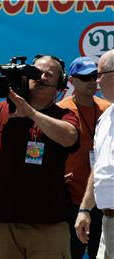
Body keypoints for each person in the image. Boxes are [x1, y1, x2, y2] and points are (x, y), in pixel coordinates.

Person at [0, 55, 80, 259]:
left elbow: (69, 137)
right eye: (35, 71)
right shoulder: (0, 109)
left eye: (48, 74)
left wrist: (31, 113)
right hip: (3, 223)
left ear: (59, 84)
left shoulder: (64, 114)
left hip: (47, 225)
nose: (40, 77)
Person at [57, 56, 110, 259]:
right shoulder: (61, 111)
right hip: (71, 200)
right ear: (71, 80)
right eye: (85, 77)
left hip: (103, 201)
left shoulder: (107, 109)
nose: (91, 82)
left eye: (94, 76)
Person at [75, 49, 114, 259]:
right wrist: (85, 209)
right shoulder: (106, 116)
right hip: (107, 223)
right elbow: (99, 168)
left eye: (99, 75)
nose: (96, 82)